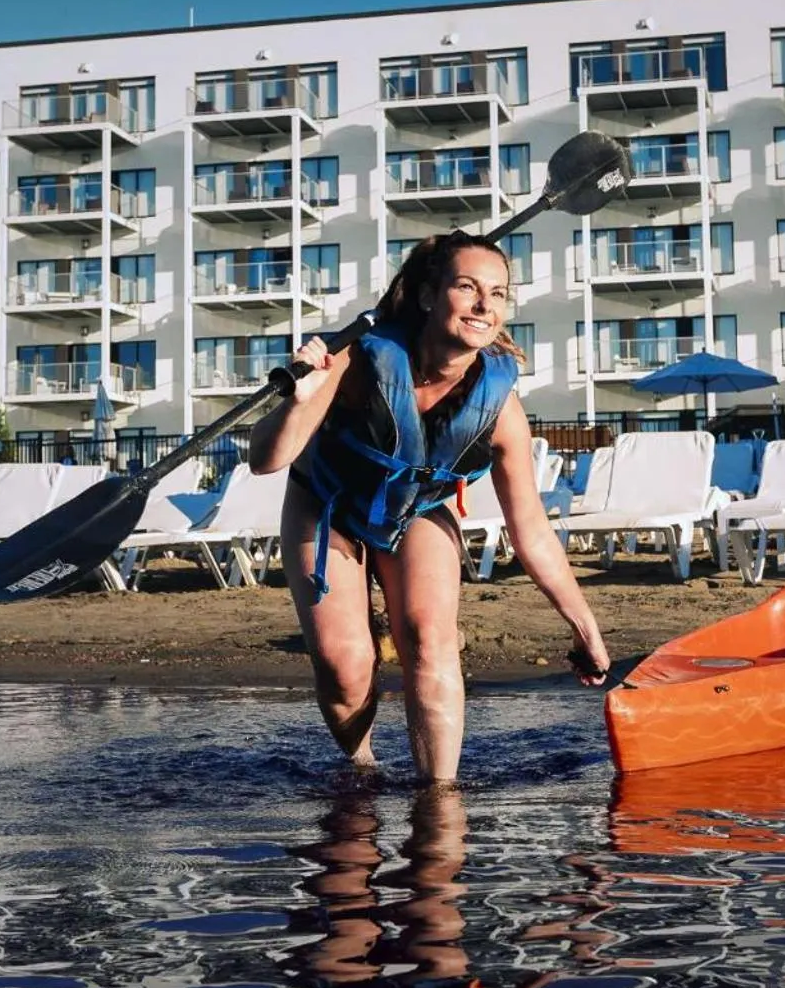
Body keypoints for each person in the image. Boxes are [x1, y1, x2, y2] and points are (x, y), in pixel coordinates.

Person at [248, 231, 612, 785]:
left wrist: (585, 627)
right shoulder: (354, 360)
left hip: (416, 509)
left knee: (430, 636)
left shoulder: (500, 406)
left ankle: (440, 796)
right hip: (327, 504)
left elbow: (532, 533)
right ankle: (362, 771)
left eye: (497, 293)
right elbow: (266, 460)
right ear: (426, 295)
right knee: (347, 666)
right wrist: (300, 401)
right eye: (467, 287)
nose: (484, 304)